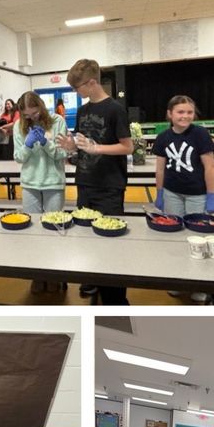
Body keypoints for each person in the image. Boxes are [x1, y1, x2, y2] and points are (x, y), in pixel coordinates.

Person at [59, 59, 134, 304]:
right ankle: (93, 279)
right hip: (85, 181)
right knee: (86, 237)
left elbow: (127, 147)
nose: (76, 92)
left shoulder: (115, 109)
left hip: (109, 185)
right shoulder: (82, 111)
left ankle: (115, 298)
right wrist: (72, 147)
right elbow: (83, 144)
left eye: (77, 87)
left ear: (92, 83)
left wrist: (97, 148)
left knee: (110, 242)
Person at [152, 95, 214, 217]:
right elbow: (160, 170)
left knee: (195, 226)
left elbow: (210, 167)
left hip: (197, 195)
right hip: (171, 193)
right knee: (174, 224)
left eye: (190, 112)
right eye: (180, 112)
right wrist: (160, 193)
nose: (185, 116)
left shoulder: (201, 134)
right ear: (170, 113)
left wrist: (211, 196)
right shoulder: (162, 137)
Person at [13, 90, 68, 215]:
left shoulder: (57, 121)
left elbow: (62, 153)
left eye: (35, 112)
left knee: (53, 221)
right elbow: (18, 157)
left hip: (53, 182)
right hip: (30, 183)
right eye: (27, 115)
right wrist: (27, 146)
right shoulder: (19, 125)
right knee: (33, 222)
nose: (32, 117)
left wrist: (45, 143)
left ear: (41, 106)